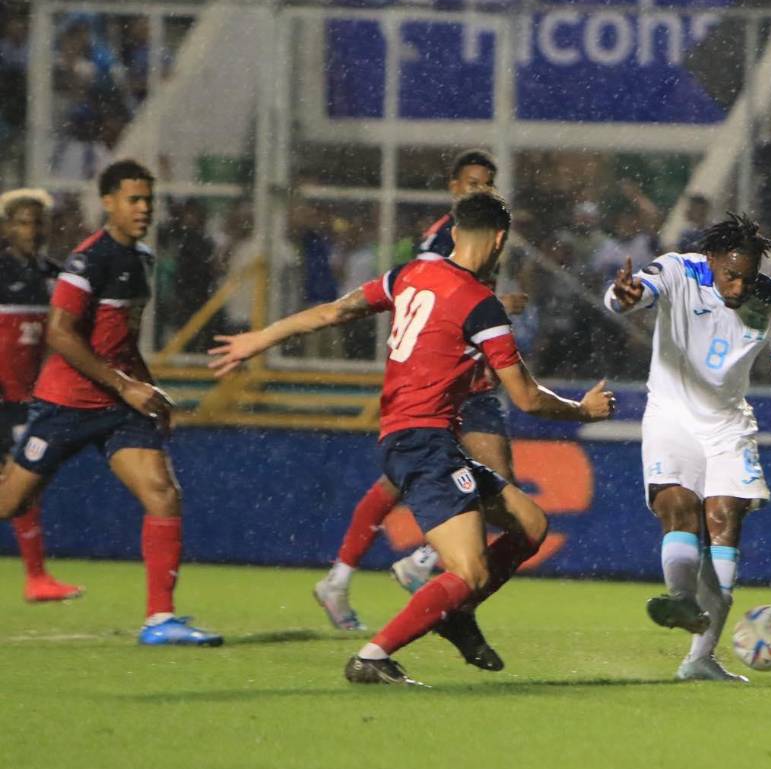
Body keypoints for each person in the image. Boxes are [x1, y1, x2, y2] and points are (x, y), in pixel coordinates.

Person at [209, 191, 615, 686]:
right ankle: (374, 656)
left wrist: (259, 339)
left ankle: (455, 614)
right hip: (424, 441)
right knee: (470, 571)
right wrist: (583, 410)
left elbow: (334, 312)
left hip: (410, 436)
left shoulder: (409, 275)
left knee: (529, 523)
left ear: (455, 231)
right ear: (501, 239)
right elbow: (526, 397)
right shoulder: (480, 304)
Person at [309, 151, 528, 663]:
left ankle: (346, 578)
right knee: (496, 484)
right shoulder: (438, 244)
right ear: (453, 188)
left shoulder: (473, 242)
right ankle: (421, 578)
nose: (483, 191)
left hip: (450, 384)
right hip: (453, 383)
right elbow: (431, 301)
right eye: (473, 183)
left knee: (402, 482)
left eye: (490, 184)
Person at [604, 214, 771, 683]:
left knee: (725, 519)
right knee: (678, 506)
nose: (738, 287)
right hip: (671, 413)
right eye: (730, 275)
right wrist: (621, 299)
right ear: (710, 261)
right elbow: (634, 293)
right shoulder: (678, 271)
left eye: (747, 278)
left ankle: (699, 658)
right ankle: (681, 600)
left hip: (729, 423)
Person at [0, 161, 222, 646]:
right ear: (108, 203)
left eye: (149, 200)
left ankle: (160, 619)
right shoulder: (88, 260)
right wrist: (126, 386)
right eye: (133, 200)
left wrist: (148, 390)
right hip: (65, 403)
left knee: (162, 493)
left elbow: (121, 343)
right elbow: (60, 333)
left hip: (119, 406)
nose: (144, 209)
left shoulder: (140, 259)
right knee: (11, 501)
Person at [0, 188, 83, 602]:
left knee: (22, 485)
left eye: (38, 222)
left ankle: (38, 577)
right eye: (22, 222)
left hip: (27, 398)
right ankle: (36, 577)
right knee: (23, 483)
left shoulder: (53, 276)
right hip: (4, 397)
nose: (32, 230)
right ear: (5, 228)